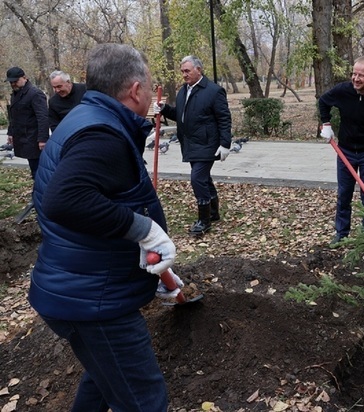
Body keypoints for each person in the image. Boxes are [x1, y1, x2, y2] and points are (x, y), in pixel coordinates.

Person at [29, 43, 181, 412]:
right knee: (146, 401)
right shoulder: (102, 134)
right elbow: (65, 200)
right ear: (135, 89)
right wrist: (144, 230)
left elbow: (89, 204)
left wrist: (141, 253)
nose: (150, 91)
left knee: (101, 379)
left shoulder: (86, 119)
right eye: (149, 84)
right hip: (95, 299)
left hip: (80, 283)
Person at [318, 56, 364, 245]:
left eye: (361, 75)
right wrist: (326, 123)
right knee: (344, 194)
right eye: (354, 73)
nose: (356, 78)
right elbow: (323, 102)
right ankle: (341, 233)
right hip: (345, 152)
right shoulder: (343, 91)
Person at [156, 55, 232, 236]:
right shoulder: (184, 91)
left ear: (199, 69)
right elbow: (181, 116)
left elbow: (224, 118)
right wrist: (165, 109)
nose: (184, 74)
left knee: (197, 179)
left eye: (187, 71)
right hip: (190, 144)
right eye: (182, 71)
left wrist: (225, 144)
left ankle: (204, 221)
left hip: (208, 144)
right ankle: (213, 213)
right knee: (204, 179)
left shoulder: (214, 91)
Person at [5, 66, 49, 179]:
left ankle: (42, 194)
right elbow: (13, 116)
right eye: (11, 82)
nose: (13, 84)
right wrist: (11, 132)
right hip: (23, 138)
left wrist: (43, 139)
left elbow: (43, 117)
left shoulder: (35, 93)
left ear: (24, 78)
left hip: (34, 138)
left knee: (39, 171)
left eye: (15, 81)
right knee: (34, 170)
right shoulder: (15, 94)